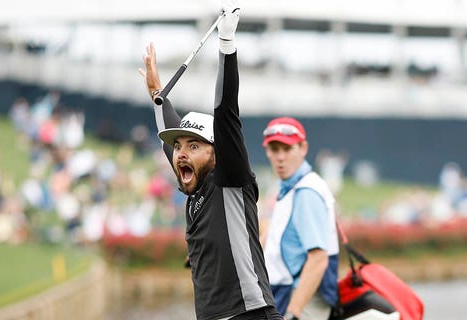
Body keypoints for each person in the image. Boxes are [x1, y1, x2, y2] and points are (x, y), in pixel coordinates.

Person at [140, 1, 281, 319]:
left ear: (217, 153)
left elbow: (226, 112)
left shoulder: (228, 178)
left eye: (194, 145)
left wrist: (227, 46)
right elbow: (168, 126)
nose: (181, 153)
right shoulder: (193, 182)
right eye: (178, 148)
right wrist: (155, 91)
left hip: (250, 314)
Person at [261, 117, 340, 320]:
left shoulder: (306, 192)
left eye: (287, 149)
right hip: (287, 291)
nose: (280, 157)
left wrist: (293, 313)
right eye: (274, 149)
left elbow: (318, 259)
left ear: (303, 148)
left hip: (304, 298)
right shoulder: (291, 186)